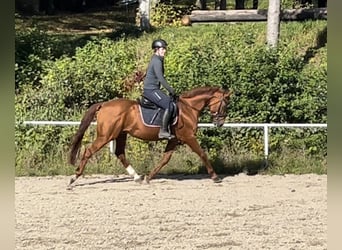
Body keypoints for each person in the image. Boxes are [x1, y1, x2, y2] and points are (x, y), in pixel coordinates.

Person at [143, 39, 176, 140]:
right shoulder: (157, 61)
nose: (164, 50)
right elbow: (161, 78)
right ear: (157, 50)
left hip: (154, 89)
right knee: (168, 105)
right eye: (162, 48)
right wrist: (170, 90)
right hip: (151, 90)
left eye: (165, 48)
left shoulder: (158, 59)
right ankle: (163, 131)